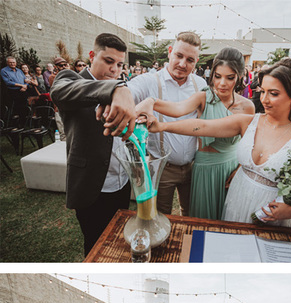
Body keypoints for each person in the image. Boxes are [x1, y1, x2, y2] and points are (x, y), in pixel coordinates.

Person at [140, 58, 291, 228]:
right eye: (263, 91)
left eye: (273, 93)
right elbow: (202, 126)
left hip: (273, 216)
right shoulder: (248, 122)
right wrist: (162, 126)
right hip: (238, 201)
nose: (264, 99)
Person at [133, 47, 253, 220]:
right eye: (217, 76)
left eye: (230, 77)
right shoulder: (204, 97)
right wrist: (151, 101)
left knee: (228, 220)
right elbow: (178, 108)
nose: (222, 83)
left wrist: (240, 170)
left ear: (240, 76)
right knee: (201, 221)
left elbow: (249, 146)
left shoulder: (248, 106)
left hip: (231, 170)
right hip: (204, 169)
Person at [49, 34, 142, 255]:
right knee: (95, 245)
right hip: (92, 186)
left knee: (118, 240)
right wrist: (113, 88)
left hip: (121, 182)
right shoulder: (71, 79)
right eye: (109, 61)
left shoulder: (121, 88)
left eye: (119, 64)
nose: (114, 70)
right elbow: (58, 92)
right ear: (92, 56)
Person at [127, 32, 208, 217]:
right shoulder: (150, 81)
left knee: (191, 214)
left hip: (193, 167)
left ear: (196, 61)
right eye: (179, 56)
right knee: (161, 215)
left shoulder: (201, 84)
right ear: (170, 52)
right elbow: (128, 90)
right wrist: (119, 94)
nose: (182, 64)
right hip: (162, 168)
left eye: (190, 60)